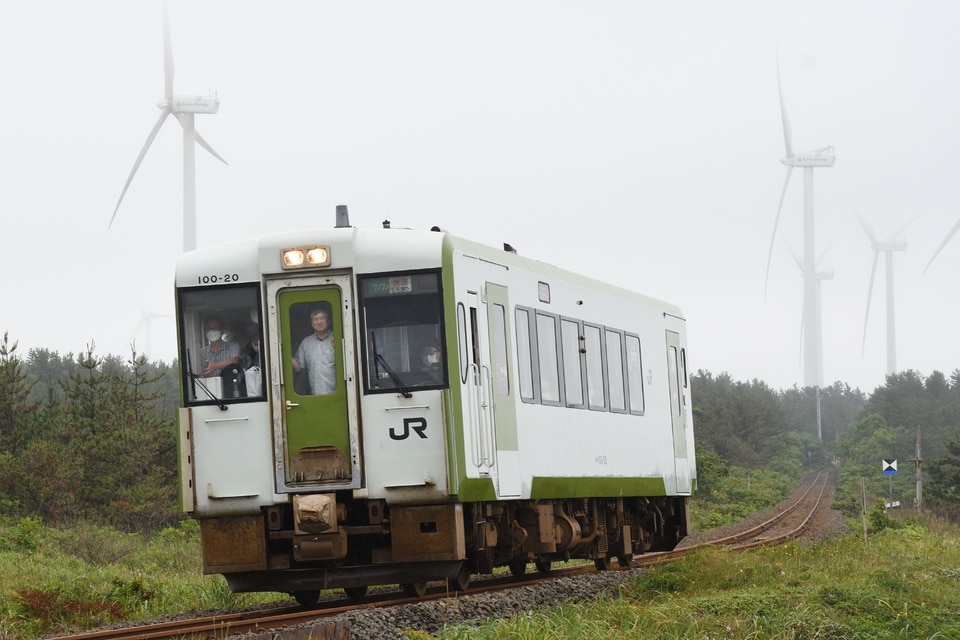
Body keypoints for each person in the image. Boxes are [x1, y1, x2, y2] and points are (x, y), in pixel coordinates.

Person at [292, 306, 336, 394]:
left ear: (329, 321)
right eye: (315, 319)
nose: (319, 322)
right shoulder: (306, 343)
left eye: (322, 318)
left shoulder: (336, 338)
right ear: (312, 323)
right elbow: (299, 368)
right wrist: (284, 353)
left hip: (337, 394)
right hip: (315, 396)